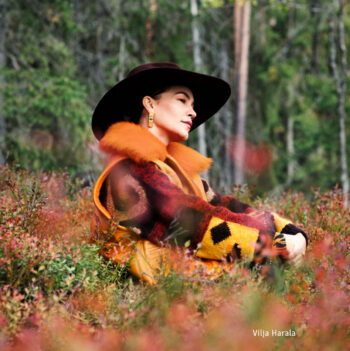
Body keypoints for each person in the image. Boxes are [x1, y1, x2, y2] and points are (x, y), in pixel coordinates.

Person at [90, 62, 307, 284]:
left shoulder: (177, 170)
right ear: (149, 104)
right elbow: (193, 224)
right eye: (182, 100)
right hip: (150, 302)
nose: (193, 112)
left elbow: (225, 206)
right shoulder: (130, 168)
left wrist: (288, 229)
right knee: (273, 278)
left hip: (186, 288)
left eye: (192, 104)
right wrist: (273, 244)